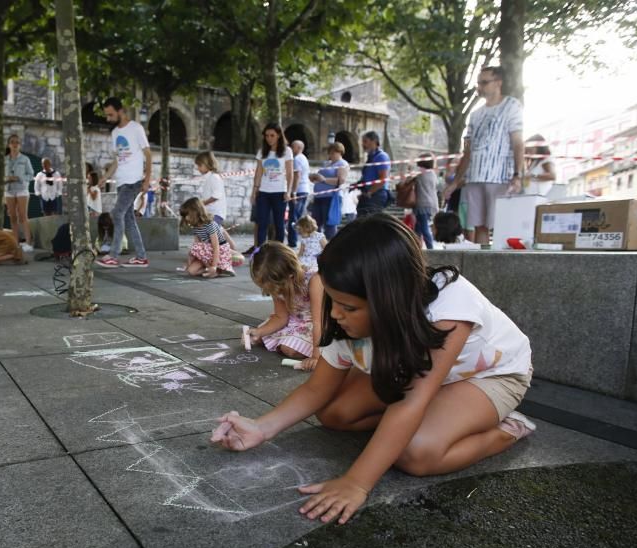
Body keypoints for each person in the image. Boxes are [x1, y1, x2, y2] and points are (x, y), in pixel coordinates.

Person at [211, 215, 535, 524]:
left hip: (491, 376)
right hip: (417, 377)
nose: (336, 314)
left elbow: (410, 400)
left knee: (416, 453)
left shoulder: (449, 306)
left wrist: (357, 482)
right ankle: (427, 421)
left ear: (388, 300)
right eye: (333, 301)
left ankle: (506, 430)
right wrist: (261, 428)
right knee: (334, 412)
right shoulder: (345, 311)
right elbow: (317, 389)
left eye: (349, 307)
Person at [444, 66, 524, 245]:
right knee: (479, 225)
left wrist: (517, 175)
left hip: (500, 176)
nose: (480, 87)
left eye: (484, 82)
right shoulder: (475, 115)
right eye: (478, 83)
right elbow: (467, 150)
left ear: (498, 83)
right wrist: (455, 182)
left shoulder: (511, 106)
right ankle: (484, 259)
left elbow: (518, 142)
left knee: (500, 224)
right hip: (474, 177)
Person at [245, 241, 324, 370]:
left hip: (318, 323)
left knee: (289, 349)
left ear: (290, 276)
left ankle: (324, 351)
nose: (275, 293)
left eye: (276, 289)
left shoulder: (314, 280)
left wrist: (316, 356)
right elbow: (280, 317)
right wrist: (258, 332)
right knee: (260, 337)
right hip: (295, 321)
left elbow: (319, 321)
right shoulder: (279, 284)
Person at [95, 97, 150, 268]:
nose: (108, 118)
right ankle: (141, 257)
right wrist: (105, 177)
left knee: (117, 214)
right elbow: (117, 160)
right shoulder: (115, 133)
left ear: (120, 111)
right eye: (107, 115)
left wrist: (147, 179)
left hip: (133, 181)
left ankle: (113, 255)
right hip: (121, 181)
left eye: (110, 114)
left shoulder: (135, 128)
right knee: (129, 220)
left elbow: (148, 154)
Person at [250, 123, 294, 246]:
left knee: (279, 224)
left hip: (280, 193)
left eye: (272, 135)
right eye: (267, 135)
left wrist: (289, 191)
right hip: (263, 193)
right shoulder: (262, 151)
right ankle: (260, 252)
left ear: (279, 135)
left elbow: (290, 174)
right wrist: (254, 192)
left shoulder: (287, 151)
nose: (269, 138)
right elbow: (258, 173)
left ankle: (279, 253)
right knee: (262, 223)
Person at [181, 197, 233, 278]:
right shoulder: (195, 226)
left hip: (220, 251)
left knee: (196, 247)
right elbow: (196, 245)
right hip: (208, 253)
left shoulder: (209, 225)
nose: (185, 218)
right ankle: (212, 270)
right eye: (184, 216)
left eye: (186, 215)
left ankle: (216, 269)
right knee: (191, 271)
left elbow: (216, 247)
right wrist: (189, 263)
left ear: (195, 212)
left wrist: (214, 266)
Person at [308, 142, 348, 239]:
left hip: (330, 198)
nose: (331, 155)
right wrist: (313, 177)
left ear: (339, 152)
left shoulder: (342, 164)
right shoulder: (326, 164)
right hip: (318, 197)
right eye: (330, 152)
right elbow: (318, 178)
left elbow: (341, 180)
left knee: (329, 225)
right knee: (315, 224)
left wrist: (324, 179)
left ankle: (330, 246)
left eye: (333, 152)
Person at [3, 135, 36, 250]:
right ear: (9, 144)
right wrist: (7, 179)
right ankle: (15, 242)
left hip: (22, 189)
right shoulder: (5, 159)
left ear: (20, 145)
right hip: (9, 190)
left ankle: (28, 242)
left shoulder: (25, 159)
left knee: (23, 216)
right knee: (12, 217)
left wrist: (20, 178)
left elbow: (31, 175)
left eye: (17, 142)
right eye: (12, 142)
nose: (15, 144)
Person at [354, 131, 392, 217]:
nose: (363, 144)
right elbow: (368, 178)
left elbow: (383, 179)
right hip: (369, 194)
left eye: (365, 141)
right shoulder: (371, 157)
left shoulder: (381, 157)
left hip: (376, 194)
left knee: (369, 223)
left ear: (374, 141)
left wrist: (369, 192)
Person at [287, 139, 312, 248]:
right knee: (297, 216)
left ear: (299, 148)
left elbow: (297, 176)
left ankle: (293, 242)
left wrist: (294, 192)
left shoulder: (296, 159)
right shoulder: (304, 158)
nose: (291, 148)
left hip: (299, 190)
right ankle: (297, 240)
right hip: (304, 189)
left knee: (293, 217)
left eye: (293, 146)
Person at [413, 153, 439, 249]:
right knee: (418, 228)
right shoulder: (433, 174)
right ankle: (415, 247)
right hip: (432, 203)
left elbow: (409, 182)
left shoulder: (420, 175)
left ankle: (430, 247)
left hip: (422, 204)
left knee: (423, 228)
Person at [195, 151, 227, 226]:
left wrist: (202, 204)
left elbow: (216, 196)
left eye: (200, 165)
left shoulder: (214, 177)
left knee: (207, 233)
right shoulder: (209, 177)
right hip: (211, 213)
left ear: (207, 164)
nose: (198, 168)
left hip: (215, 214)